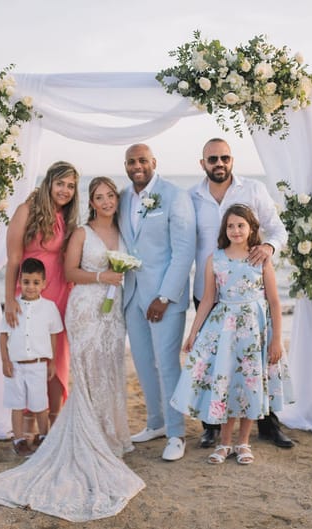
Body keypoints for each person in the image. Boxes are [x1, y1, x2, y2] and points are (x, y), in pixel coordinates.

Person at [0, 176, 145, 522]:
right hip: (83, 308)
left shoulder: (125, 230)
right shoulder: (80, 232)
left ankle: (111, 433)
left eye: (110, 195)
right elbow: (69, 271)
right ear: (90, 202)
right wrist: (102, 278)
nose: (106, 201)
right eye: (98, 196)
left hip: (112, 311)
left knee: (110, 371)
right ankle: (75, 432)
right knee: (87, 372)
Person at [190, 138, 294, 450]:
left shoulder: (254, 190)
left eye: (224, 158)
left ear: (232, 160)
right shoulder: (191, 197)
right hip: (210, 293)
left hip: (251, 301)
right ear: (203, 164)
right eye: (212, 159)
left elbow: (278, 229)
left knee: (257, 361)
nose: (218, 163)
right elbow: (184, 244)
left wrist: (267, 247)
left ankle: (268, 425)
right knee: (214, 365)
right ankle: (211, 427)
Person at [171, 204, 293, 465]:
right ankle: (225, 444)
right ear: (224, 230)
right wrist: (193, 333)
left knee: (250, 383)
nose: (235, 230)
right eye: (230, 226)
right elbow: (207, 299)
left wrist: (276, 339)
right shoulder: (215, 259)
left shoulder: (260, 258)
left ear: (251, 229)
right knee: (224, 382)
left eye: (241, 225)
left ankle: (243, 443)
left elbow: (274, 302)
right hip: (223, 331)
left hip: (254, 331)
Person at [118, 143, 196, 461]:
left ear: (153, 162)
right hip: (133, 293)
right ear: (125, 165)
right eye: (131, 161)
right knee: (142, 363)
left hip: (164, 298)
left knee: (166, 365)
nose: (137, 166)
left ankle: (177, 434)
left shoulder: (176, 196)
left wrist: (164, 297)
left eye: (142, 161)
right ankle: (156, 423)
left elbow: (184, 252)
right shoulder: (123, 197)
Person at [4, 161, 79, 425]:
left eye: (71, 186)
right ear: (49, 183)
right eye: (60, 183)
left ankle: (55, 422)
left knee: (56, 356)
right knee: (28, 354)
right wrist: (10, 300)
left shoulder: (67, 217)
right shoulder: (27, 210)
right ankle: (27, 425)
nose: (65, 190)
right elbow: (13, 258)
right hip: (29, 293)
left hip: (59, 293)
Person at [0, 258, 63, 457]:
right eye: (26, 282)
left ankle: (44, 437)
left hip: (38, 365)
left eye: (36, 282)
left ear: (44, 283)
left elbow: (54, 335)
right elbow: (3, 335)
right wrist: (5, 361)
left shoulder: (49, 307)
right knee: (17, 405)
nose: (31, 287)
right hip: (16, 365)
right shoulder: (12, 307)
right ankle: (19, 440)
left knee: (40, 405)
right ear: (20, 283)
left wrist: (52, 362)